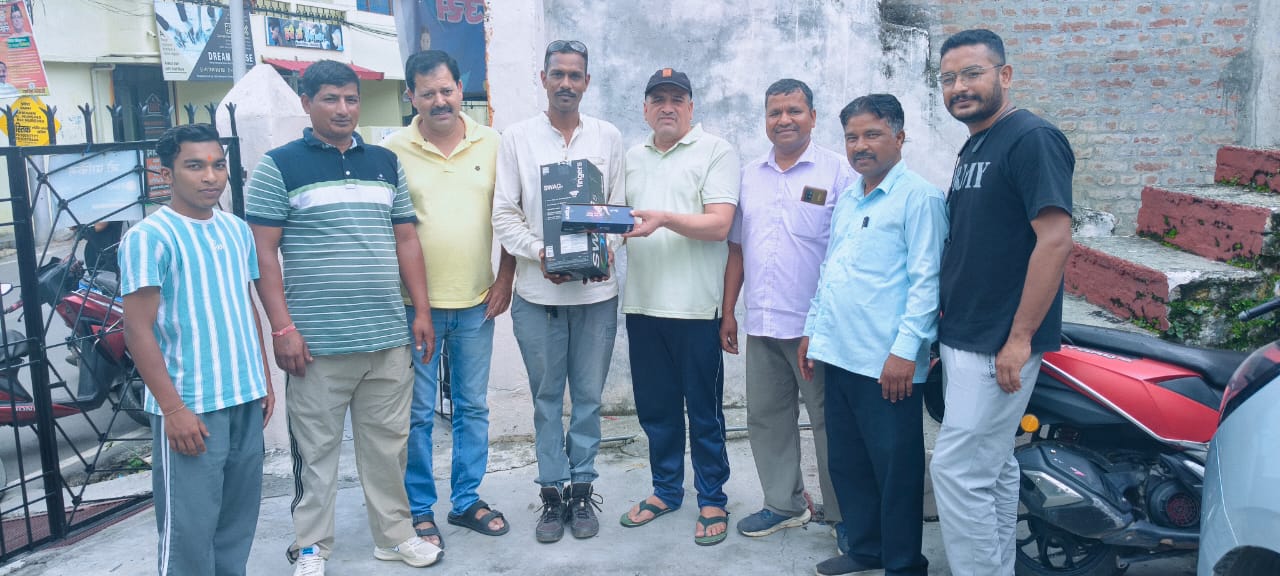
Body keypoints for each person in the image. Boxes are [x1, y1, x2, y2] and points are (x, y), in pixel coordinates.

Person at [246, 60, 443, 574]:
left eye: (351, 99)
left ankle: (394, 536)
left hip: (386, 337)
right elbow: (263, 253)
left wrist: (421, 310)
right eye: (330, 99)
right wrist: (282, 329)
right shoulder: (279, 166)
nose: (343, 109)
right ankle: (311, 546)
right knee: (316, 453)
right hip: (316, 345)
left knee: (388, 448)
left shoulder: (384, 162)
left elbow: (406, 239)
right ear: (306, 102)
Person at [930, 29, 1074, 576]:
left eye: (972, 73)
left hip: (998, 340)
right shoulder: (977, 144)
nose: (959, 87)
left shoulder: (1032, 138)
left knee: (957, 471)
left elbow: (1054, 240)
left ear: (1005, 75)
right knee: (991, 466)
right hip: (966, 333)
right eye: (948, 79)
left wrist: (1019, 338)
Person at [119, 123, 275, 576]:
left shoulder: (236, 230)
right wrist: (173, 410)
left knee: (236, 523)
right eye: (194, 166)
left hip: (243, 397)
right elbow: (137, 330)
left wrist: (263, 380)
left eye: (218, 165)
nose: (210, 177)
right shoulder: (150, 237)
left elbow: (245, 305)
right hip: (191, 407)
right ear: (165, 172)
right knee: (189, 531)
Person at [801, 95, 945, 576]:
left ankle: (903, 564)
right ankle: (866, 549)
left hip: (888, 364)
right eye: (852, 137)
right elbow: (832, 271)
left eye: (872, 134)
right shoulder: (849, 197)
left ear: (899, 138)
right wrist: (813, 331)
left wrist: (906, 352)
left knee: (895, 470)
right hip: (839, 353)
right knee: (848, 463)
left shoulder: (920, 198)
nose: (860, 146)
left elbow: (927, 283)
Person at [491, 39, 624, 544]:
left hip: (596, 297)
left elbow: (617, 208)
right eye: (558, 74)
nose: (566, 83)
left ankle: (582, 488)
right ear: (543, 78)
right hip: (537, 295)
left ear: (587, 82)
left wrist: (601, 250)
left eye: (575, 75)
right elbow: (504, 213)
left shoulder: (607, 137)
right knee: (547, 399)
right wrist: (540, 253)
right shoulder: (517, 139)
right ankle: (551, 492)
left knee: (588, 398)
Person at [382, 49, 514, 549]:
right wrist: (417, 306)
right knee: (416, 413)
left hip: (478, 302)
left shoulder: (493, 142)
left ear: (461, 89)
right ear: (410, 96)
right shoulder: (393, 150)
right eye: (427, 92)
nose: (439, 100)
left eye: (446, 90)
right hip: (415, 309)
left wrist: (505, 279)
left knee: (471, 408)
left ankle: (466, 500)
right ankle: (419, 509)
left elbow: (511, 214)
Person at [724, 78, 851, 539]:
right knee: (766, 417)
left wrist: (825, 322)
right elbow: (737, 249)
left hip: (815, 328)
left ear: (812, 117)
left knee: (829, 423)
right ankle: (783, 504)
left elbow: (847, 253)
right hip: (762, 322)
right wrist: (729, 312)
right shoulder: (749, 175)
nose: (784, 120)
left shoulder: (838, 173)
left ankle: (845, 517)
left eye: (794, 111)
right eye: (775, 112)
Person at [618, 68, 740, 547]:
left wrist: (665, 218)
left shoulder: (716, 151)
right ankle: (666, 490)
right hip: (643, 306)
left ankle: (712, 497)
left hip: (696, 310)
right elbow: (615, 221)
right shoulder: (632, 157)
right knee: (656, 411)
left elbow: (720, 225)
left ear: (690, 107)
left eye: (676, 99)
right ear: (645, 109)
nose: (667, 107)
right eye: (658, 99)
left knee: (704, 413)